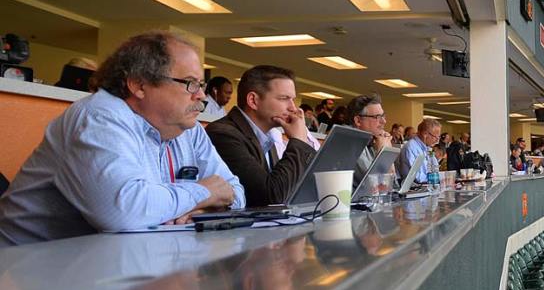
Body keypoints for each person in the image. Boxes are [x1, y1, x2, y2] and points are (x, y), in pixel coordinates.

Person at [0, 32, 244, 245]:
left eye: (201, 84)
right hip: (24, 273)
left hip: (101, 267)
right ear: (139, 85)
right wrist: (203, 192)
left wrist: (197, 206)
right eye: (190, 83)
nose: (201, 96)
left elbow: (235, 192)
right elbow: (124, 212)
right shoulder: (99, 117)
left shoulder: (189, 128)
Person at [204, 65, 317, 207]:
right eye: (284, 98)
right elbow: (270, 196)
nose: (293, 108)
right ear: (253, 100)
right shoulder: (223, 134)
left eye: (292, 99)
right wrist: (298, 141)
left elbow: (296, 190)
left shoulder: (267, 135)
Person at [347, 93, 392, 186]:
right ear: (358, 121)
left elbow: (393, 183)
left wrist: (388, 152)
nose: (384, 121)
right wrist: (384, 153)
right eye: (377, 117)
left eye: (383, 116)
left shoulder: (373, 140)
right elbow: (376, 185)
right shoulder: (351, 141)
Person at [398, 118, 441, 184]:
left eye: (439, 137)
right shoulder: (411, 147)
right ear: (425, 134)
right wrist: (436, 178)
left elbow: (435, 170)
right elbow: (417, 178)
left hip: (427, 187)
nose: (437, 141)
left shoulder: (428, 148)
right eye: (435, 137)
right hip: (415, 189)